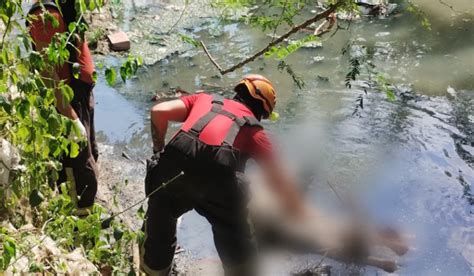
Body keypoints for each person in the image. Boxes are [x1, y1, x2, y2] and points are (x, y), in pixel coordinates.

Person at [142, 74, 306, 275]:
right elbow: (279, 179)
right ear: (262, 110)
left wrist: (158, 152)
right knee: (235, 240)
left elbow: (158, 111)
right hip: (217, 188)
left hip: (174, 172)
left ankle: (152, 270)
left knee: (159, 231)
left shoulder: (203, 100)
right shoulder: (254, 132)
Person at [28, 0, 99, 215]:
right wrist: (70, 117)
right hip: (65, 103)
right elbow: (46, 71)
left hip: (81, 95)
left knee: (90, 155)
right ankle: (76, 228)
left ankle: (85, 216)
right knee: (78, 172)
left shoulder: (68, 5)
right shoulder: (44, 15)